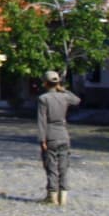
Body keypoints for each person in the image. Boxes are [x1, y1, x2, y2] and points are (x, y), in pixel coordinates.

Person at [37, 69, 81, 205]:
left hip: (50, 134)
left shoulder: (43, 99)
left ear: (45, 83)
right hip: (63, 134)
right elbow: (77, 100)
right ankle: (63, 196)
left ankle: (52, 196)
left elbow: (42, 120)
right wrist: (62, 89)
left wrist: (42, 139)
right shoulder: (64, 97)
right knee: (63, 167)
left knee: (51, 166)